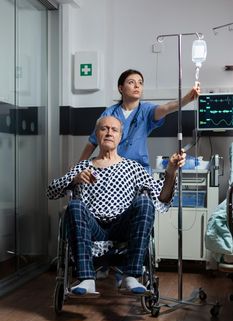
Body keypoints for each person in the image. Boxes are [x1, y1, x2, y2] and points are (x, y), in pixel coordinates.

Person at [47, 116, 186, 296]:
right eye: (104, 129)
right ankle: (87, 279)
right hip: (92, 228)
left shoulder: (132, 167)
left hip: (122, 227)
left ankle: (131, 276)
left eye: (114, 130)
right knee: (74, 206)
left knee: (144, 202)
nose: (109, 133)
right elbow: (51, 191)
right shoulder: (83, 166)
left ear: (121, 136)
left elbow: (162, 197)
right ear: (97, 135)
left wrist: (171, 171)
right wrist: (74, 179)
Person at [78, 69, 199, 180]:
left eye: (140, 83)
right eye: (131, 82)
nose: (137, 86)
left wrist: (186, 99)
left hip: (138, 170)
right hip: (111, 170)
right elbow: (92, 142)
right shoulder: (109, 113)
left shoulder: (147, 111)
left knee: (143, 202)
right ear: (121, 88)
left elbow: (166, 108)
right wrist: (78, 168)